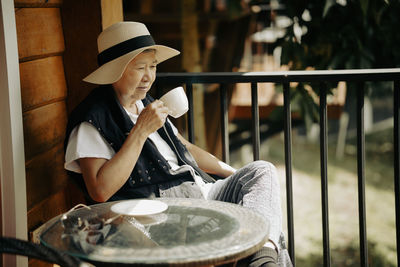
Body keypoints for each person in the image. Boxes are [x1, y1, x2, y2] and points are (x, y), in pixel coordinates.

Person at [64, 21, 292, 267]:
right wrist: (140, 131)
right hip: (166, 212)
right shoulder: (92, 119)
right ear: (115, 71)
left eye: (152, 66)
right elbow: (100, 189)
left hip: (199, 192)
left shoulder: (146, 103)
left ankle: (262, 257)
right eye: (140, 67)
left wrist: (236, 175)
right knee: (273, 233)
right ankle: (264, 260)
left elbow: (184, 148)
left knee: (262, 170)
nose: (149, 76)